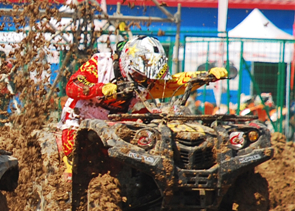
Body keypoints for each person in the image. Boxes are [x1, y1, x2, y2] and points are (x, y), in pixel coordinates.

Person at [59, 35, 228, 158]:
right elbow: (72, 86)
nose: (147, 82)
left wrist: (206, 76)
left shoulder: (145, 82)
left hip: (116, 121)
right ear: (127, 64)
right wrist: (101, 89)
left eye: (151, 79)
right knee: (74, 151)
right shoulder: (100, 65)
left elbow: (174, 84)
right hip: (80, 119)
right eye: (142, 77)